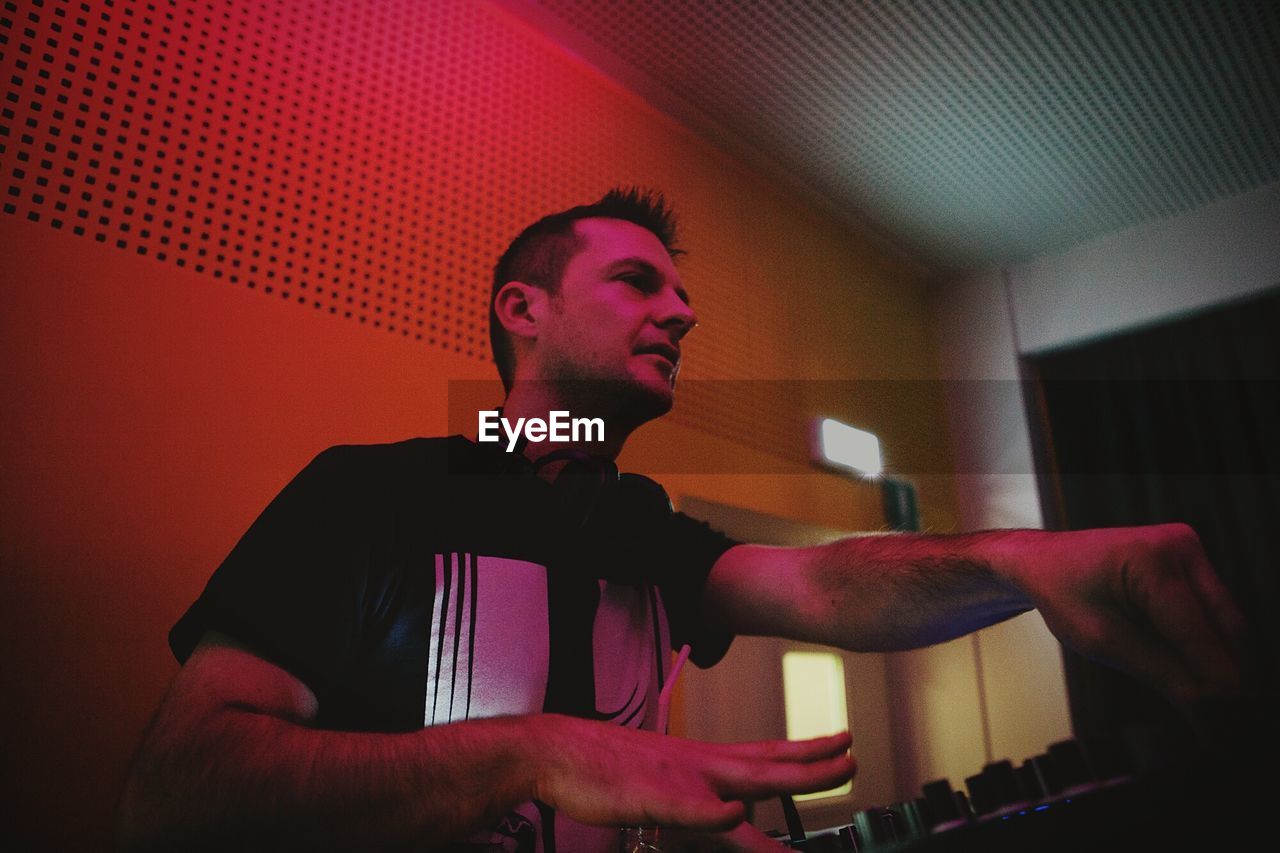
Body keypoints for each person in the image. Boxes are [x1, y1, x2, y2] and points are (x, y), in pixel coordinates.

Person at [117, 188, 1252, 852]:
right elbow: (176, 790)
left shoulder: (646, 531)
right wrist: (538, 750)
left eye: (679, 292)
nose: (684, 311)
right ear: (526, 309)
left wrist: (1029, 558)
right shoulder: (372, 493)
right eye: (637, 283)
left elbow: (827, 586)